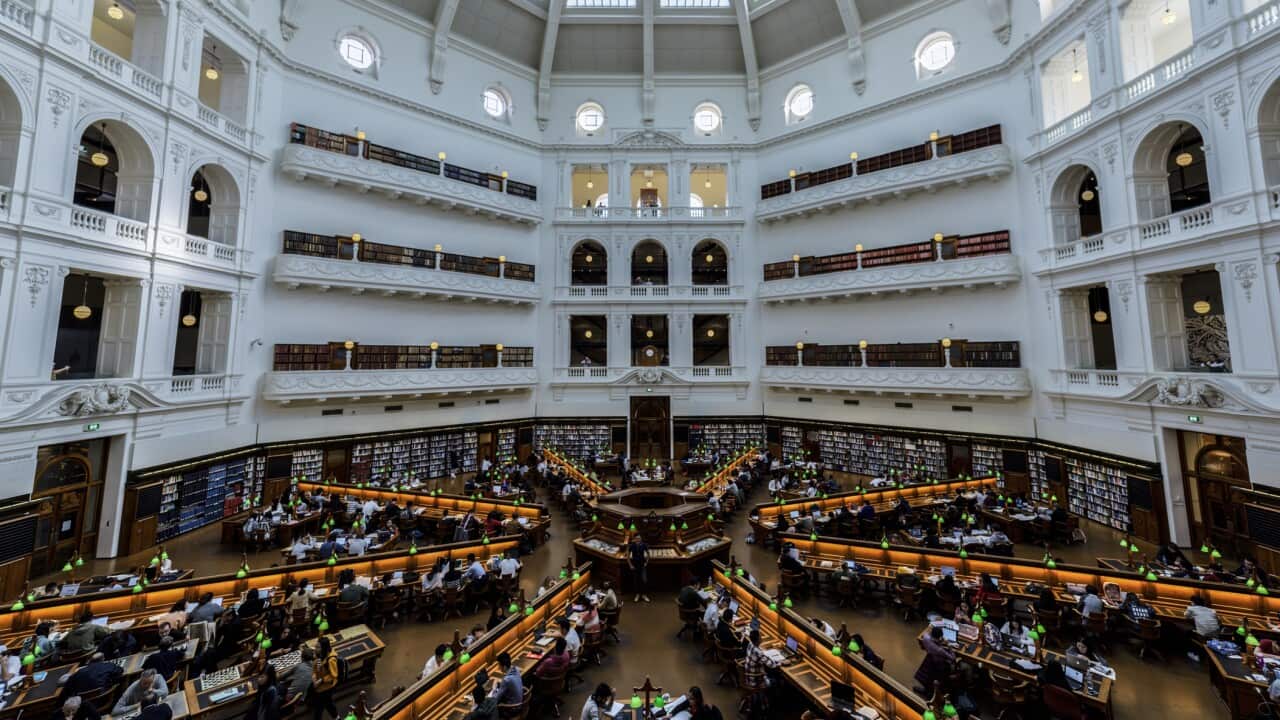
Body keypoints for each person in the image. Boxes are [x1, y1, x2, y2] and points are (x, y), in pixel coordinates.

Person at [309, 636, 339, 720]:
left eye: (318, 647)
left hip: (326, 688)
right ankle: (337, 717)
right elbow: (315, 667)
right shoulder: (320, 654)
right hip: (319, 685)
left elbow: (334, 675)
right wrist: (314, 676)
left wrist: (321, 680)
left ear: (324, 648)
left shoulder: (331, 660)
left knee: (319, 708)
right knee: (328, 703)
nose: (315, 648)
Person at [628, 534, 650, 603]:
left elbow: (648, 553)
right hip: (635, 565)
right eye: (637, 538)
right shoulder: (632, 545)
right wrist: (630, 565)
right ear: (634, 539)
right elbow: (628, 556)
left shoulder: (644, 545)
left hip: (642, 565)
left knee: (644, 580)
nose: (638, 539)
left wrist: (646, 562)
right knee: (636, 580)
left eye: (639, 538)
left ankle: (644, 595)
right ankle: (637, 595)